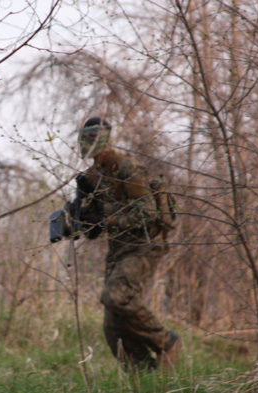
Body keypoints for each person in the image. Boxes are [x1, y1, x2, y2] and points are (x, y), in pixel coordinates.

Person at [70, 117, 179, 370]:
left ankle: (167, 341)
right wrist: (77, 219)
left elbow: (147, 214)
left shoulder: (126, 167)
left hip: (146, 244)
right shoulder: (91, 176)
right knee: (112, 327)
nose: (88, 142)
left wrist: (106, 221)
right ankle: (143, 378)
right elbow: (93, 230)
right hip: (119, 248)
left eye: (93, 136)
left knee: (116, 296)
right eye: (85, 136)